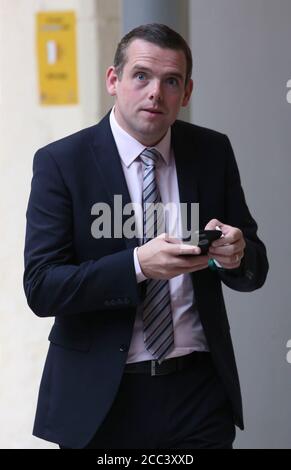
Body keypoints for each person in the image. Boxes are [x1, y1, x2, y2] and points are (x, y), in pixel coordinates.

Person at [23, 23, 268, 449]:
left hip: (198, 395)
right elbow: (42, 287)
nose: (156, 92)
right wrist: (136, 266)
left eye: (171, 81)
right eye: (141, 76)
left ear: (186, 93)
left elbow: (254, 265)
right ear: (114, 81)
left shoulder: (212, 152)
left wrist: (236, 253)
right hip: (104, 399)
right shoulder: (62, 162)